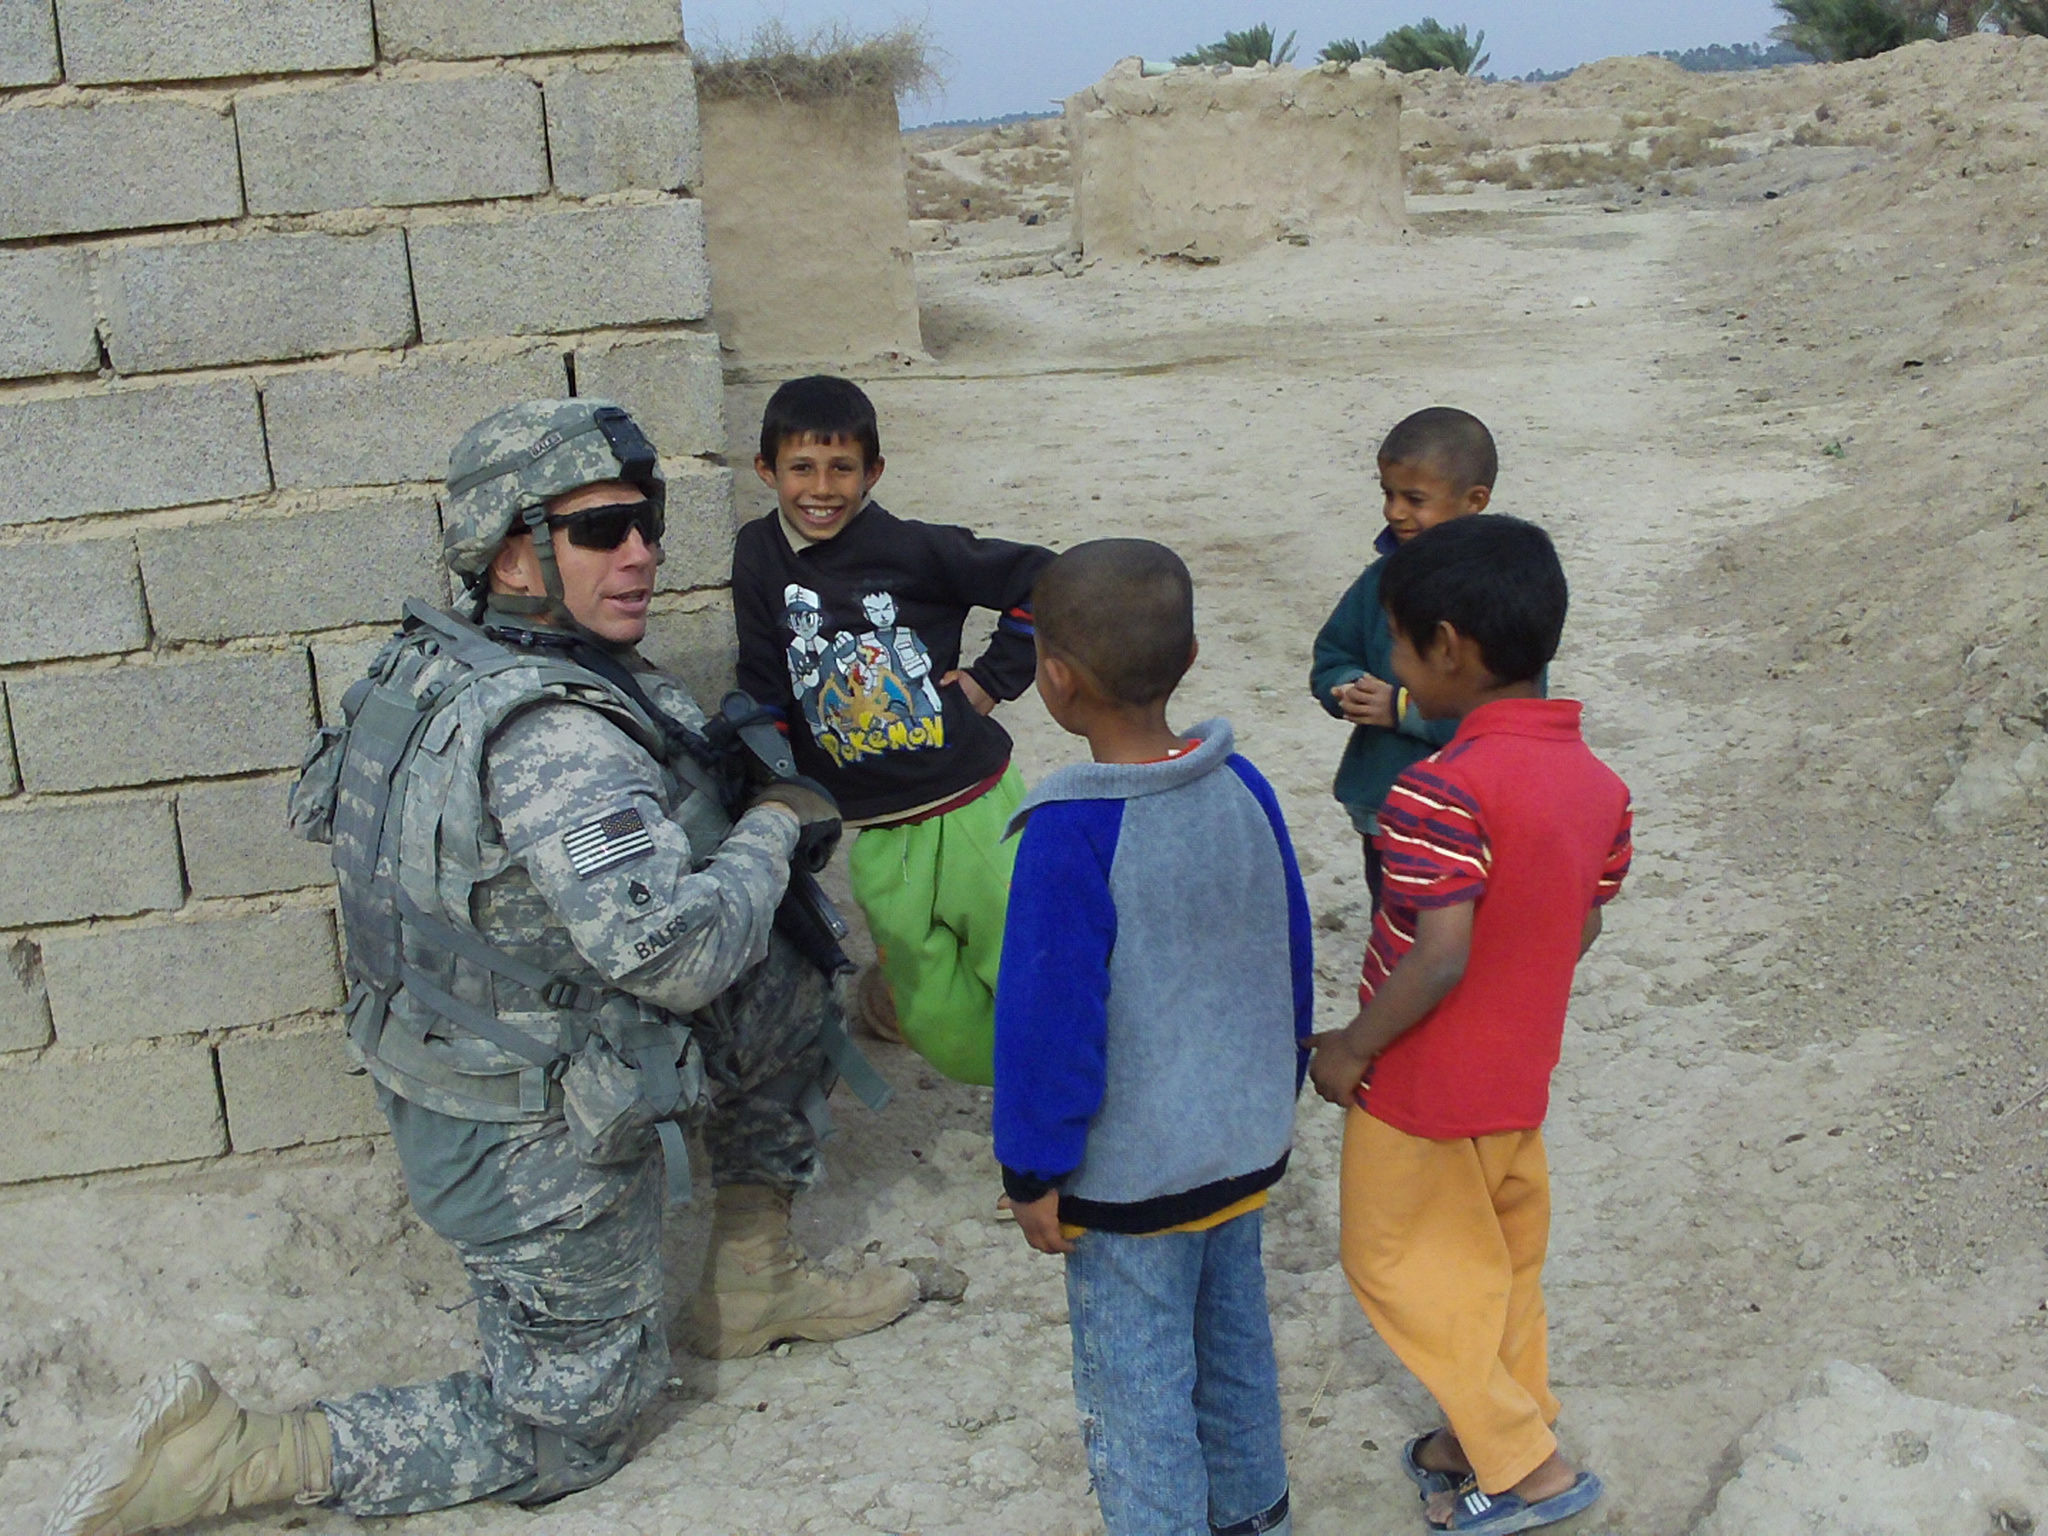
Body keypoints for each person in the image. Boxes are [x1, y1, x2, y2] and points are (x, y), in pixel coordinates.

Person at [44, 399, 920, 1536]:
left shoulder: (448, 663)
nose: (643, 550)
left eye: (644, 522)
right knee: (572, 1434)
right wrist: (775, 824)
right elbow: (674, 952)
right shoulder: (552, 731)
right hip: (523, 1140)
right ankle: (239, 1456)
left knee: (790, 959)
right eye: (601, 531)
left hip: (483, 1065)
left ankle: (749, 1280)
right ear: (512, 551)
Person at [1305, 516, 1632, 1535]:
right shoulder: (1598, 787)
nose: (1393, 661)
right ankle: (1482, 1428)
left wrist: (1351, 1045)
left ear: (1443, 647)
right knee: (1494, 1265)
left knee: (1395, 1263)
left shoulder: (1434, 792)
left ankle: (1526, 1468)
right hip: (1515, 1078)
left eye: (1397, 643)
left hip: (1421, 1087)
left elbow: (1437, 952)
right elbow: (1576, 919)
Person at [993, 539, 1311, 1536]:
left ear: (1054, 679)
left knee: (1137, 1391)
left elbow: (1047, 1021)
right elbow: (1285, 950)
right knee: (1233, 1352)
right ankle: (1256, 1519)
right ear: (1189, 658)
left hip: (1128, 1182)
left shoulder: (1065, 833)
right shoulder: (1243, 786)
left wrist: (1031, 1168)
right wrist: (1274, 1084)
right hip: (1240, 1145)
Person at [731, 375, 1052, 1085]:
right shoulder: (757, 554)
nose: (822, 487)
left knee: (1026, 963)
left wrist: (989, 681)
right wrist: (770, 776)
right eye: (801, 468)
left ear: (873, 472)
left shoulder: (912, 550)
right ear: (766, 471)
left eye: (842, 467)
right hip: (873, 831)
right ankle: (964, 1050)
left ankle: (1056, 1116)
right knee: (931, 994)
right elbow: (762, 672)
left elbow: (1045, 580)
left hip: (971, 803)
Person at [1309, 407, 1499, 906]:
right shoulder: (1378, 582)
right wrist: (1347, 686)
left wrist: (1401, 710)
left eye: (1414, 499)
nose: (1394, 512)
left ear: (1474, 501)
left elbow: (1509, 715)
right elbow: (1332, 652)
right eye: (1388, 495)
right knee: (1393, 921)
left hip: (1473, 807)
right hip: (1385, 805)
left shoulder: (1499, 594)